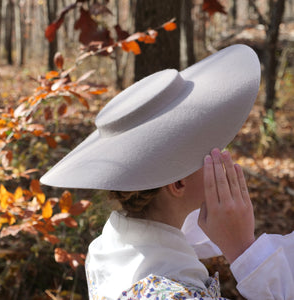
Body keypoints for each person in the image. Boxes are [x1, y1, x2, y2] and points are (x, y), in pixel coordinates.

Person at [40, 44, 294, 299]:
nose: (225, 155)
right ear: (179, 183)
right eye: (214, 148)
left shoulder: (111, 245)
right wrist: (244, 252)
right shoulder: (176, 294)